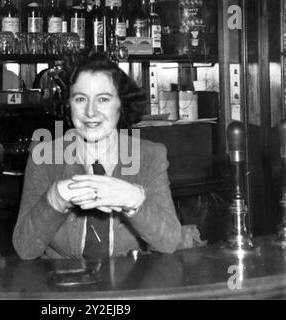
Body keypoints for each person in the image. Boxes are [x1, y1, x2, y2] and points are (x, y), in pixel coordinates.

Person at [12, 52, 184, 260]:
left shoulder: (149, 156)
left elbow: (169, 243)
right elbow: (24, 249)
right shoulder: (45, 157)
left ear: (121, 104)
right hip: (65, 286)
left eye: (103, 99)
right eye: (80, 99)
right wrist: (55, 199)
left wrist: (134, 200)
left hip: (128, 285)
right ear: (68, 104)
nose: (90, 112)